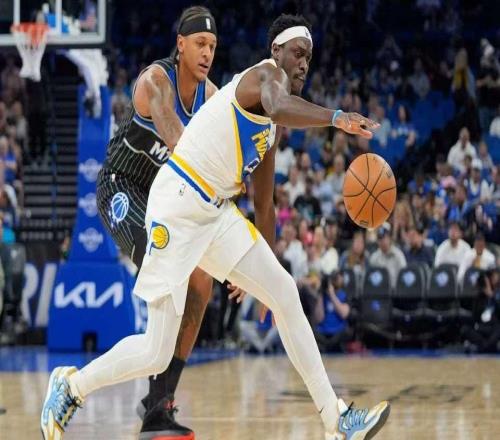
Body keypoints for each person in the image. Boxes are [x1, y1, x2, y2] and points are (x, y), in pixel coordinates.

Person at [41, 15, 390, 440]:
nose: (303, 63)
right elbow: (279, 104)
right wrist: (336, 117)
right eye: (297, 53)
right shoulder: (264, 76)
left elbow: (264, 204)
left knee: (283, 292)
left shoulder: (271, 129)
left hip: (215, 212)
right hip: (177, 203)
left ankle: (337, 421)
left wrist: (259, 272)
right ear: (276, 52)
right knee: (155, 351)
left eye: (309, 58)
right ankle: (71, 386)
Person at [94, 7, 220, 439]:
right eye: (200, 44)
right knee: (169, 269)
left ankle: (159, 403)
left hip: (164, 198)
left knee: (202, 282)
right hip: (122, 187)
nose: (207, 53)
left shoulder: (211, 97)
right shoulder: (156, 81)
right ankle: (80, 385)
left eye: (213, 46)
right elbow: (177, 141)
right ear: (180, 45)